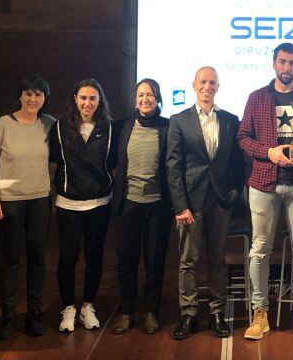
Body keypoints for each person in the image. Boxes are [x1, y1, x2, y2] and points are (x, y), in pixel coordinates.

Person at [237, 43, 293, 341]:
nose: (287, 67)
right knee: (260, 250)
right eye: (282, 62)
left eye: (292, 62)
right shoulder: (257, 98)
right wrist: (268, 152)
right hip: (263, 183)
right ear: (273, 63)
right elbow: (243, 138)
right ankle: (259, 313)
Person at [166, 67, 245, 339]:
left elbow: (239, 164)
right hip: (190, 203)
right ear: (194, 85)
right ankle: (188, 315)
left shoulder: (231, 120)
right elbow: (173, 167)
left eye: (212, 82)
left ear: (218, 87)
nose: (207, 87)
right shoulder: (179, 121)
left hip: (221, 202)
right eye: (203, 82)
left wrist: (234, 193)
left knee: (218, 260)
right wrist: (180, 206)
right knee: (188, 260)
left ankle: (217, 313)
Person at [0, 75, 56, 340]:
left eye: (38, 95)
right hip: (10, 202)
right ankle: (8, 318)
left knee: (37, 261)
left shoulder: (50, 125)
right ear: (20, 96)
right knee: (10, 262)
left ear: (44, 99)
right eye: (28, 94)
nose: (33, 99)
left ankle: (34, 316)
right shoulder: (4, 123)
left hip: (40, 200)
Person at [49, 79, 117, 333]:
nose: (87, 103)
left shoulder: (110, 129)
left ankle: (88, 306)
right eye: (83, 98)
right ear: (75, 99)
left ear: (100, 102)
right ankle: (68, 308)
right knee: (67, 258)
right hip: (68, 205)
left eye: (93, 98)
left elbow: (112, 163)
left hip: (100, 204)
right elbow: (54, 161)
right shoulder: (59, 128)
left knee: (94, 256)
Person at [109, 79, 172, 335]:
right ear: (135, 98)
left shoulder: (168, 127)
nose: (145, 99)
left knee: (154, 261)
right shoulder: (123, 126)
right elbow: (111, 161)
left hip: (158, 205)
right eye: (141, 94)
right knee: (127, 260)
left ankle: (151, 313)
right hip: (127, 204)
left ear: (158, 98)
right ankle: (126, 312)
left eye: (150, 94)